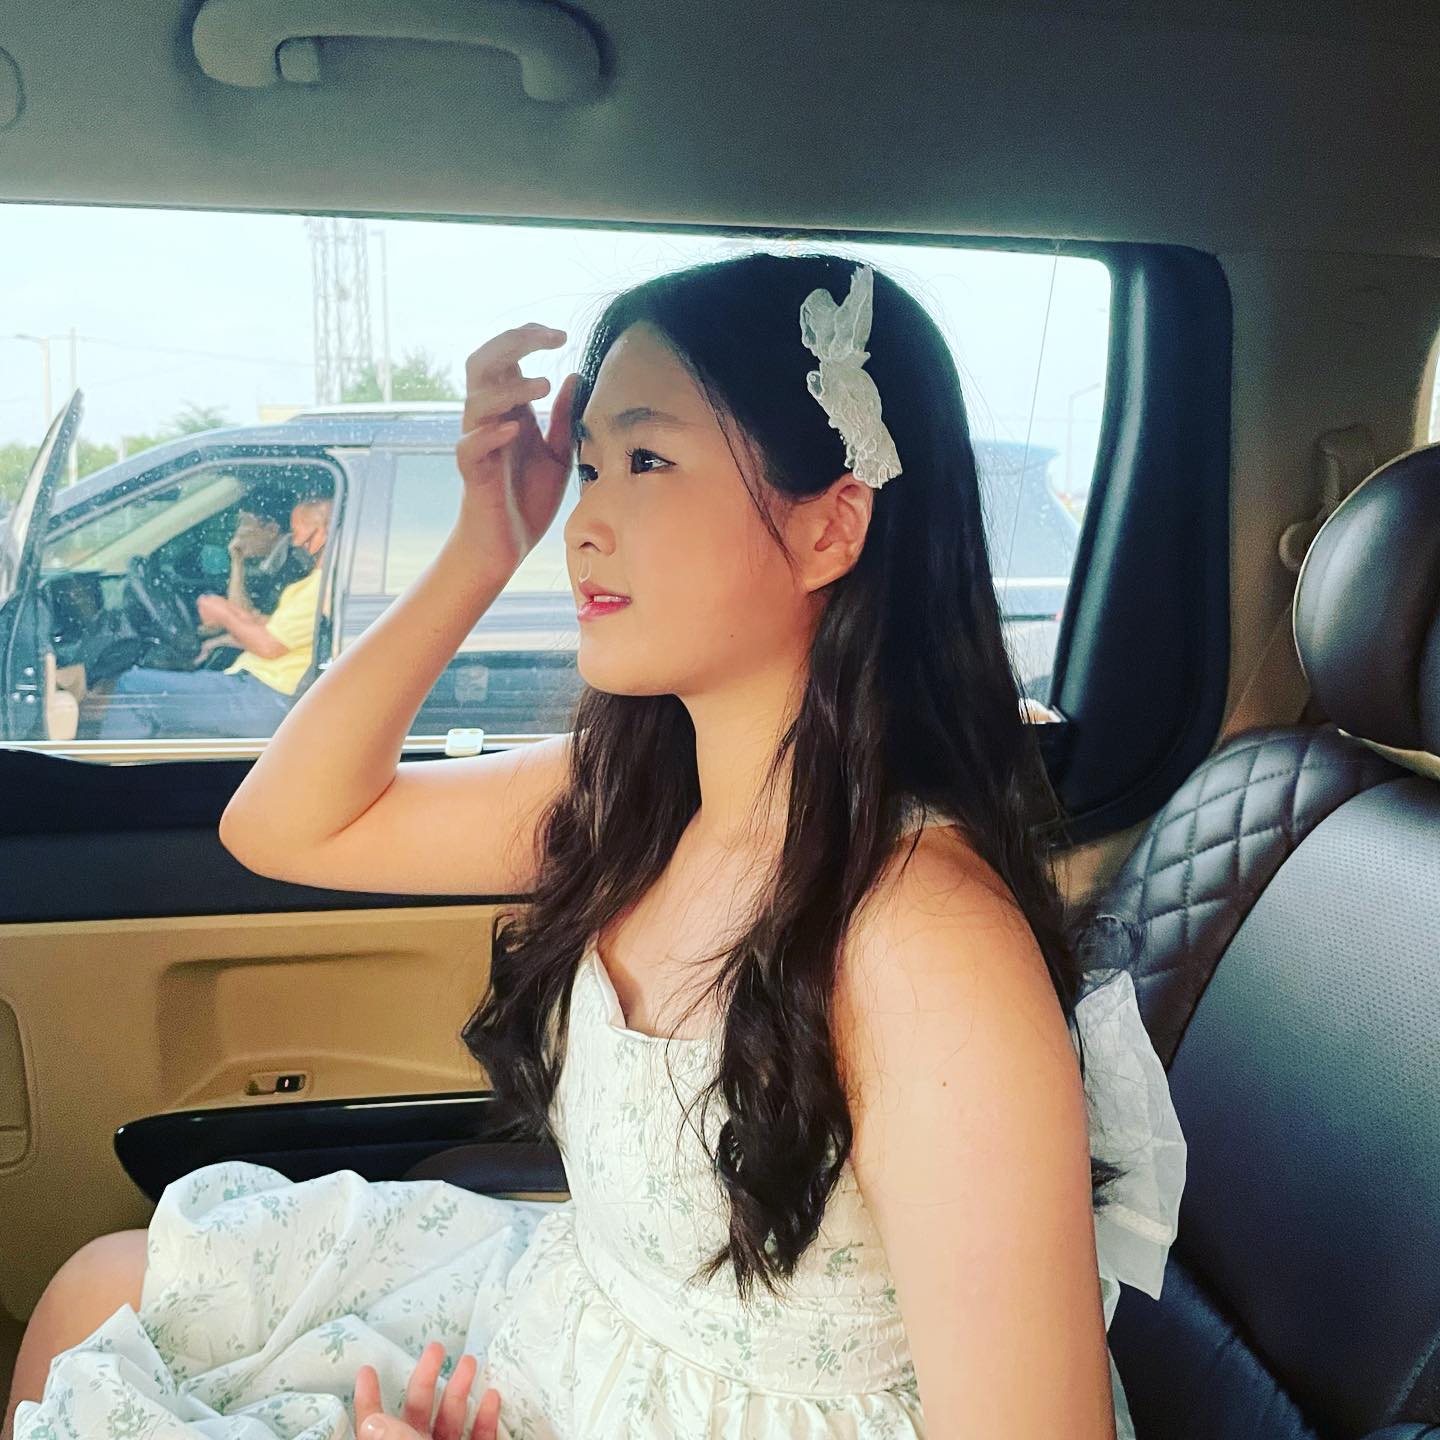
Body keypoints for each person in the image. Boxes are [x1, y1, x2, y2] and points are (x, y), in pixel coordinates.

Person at [6, 256, 1186, 1440]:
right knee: (103, 1294)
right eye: (586, 469)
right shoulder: (639, 795)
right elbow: (281, 825)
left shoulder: (926, 942)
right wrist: (484, 542)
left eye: (648, 460)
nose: (583, 524)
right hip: (576, 1315)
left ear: (831, 526)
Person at [83, 488, 334, 739]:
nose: (294, 543)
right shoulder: (316, 584)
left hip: (266, 697)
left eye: (298, 533)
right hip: (262, 690)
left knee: (133, 688)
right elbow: (274, 630)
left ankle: (108, 765)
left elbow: (269, 645)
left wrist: (222, 612)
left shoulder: (319, 587)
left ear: (324, 533)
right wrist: (225, 634)